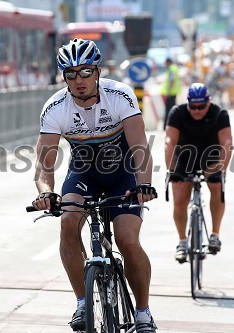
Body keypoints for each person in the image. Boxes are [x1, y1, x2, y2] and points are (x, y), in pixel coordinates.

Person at [31, 38, 158, 332]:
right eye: (71, 74)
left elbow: (139, 146)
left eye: (86, 72)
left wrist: (145, 185)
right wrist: (46, 193)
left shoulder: (120, 96)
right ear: (64, 77)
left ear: (98, 71)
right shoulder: (55, 108)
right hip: (84, 173)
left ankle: (142, 312)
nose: (79, 81)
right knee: (68, 222)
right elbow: (43, 164)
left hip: (123, 174)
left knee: (127, 240)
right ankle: (82, 303)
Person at [165, 83, 232, 264]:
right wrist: (171, 170)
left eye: (201, 106)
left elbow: (227, 143)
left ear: (208, 102)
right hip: (184, 158)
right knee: (179, 196)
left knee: (217, 185)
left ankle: (215, 234)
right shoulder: (177, 113)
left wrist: (221, 169)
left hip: (211, 157)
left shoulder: (219, 114)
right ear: (187, 103)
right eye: (192, 106)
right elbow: (169, 142)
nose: (197, 110)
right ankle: (182, 242)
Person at [160, 57, 181, 130]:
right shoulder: (173, 69)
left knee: (169, 110)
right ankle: (173, 125)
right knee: (172, 109)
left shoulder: (171, 69)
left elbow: (172, 81)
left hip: (171, 93)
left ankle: (167, 125)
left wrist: (168, 92)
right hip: (173, 93)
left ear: (168, 62)